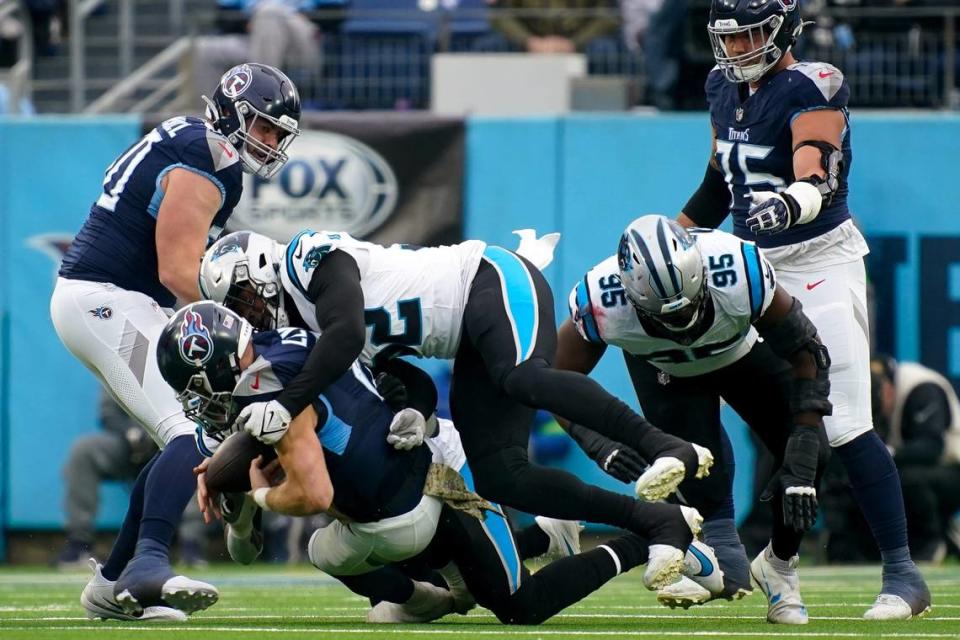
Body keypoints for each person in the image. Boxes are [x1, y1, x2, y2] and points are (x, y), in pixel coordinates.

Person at [197, 229, 713, 590]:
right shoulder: (302, 337)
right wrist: (415, 414)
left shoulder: (307, 256)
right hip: (463, 343)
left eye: (241, 296)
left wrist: (285, 405)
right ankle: (655, 522)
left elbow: (349, 334)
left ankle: (664, 444)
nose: (247, 313)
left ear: (257, 265)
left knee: (523, 375)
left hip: (490, 279)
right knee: (501, 476)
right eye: (236, 310)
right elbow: (405, 378)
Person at [155, 301, 723, 624]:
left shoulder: (275, 391)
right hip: (395, 496)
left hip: (438, 481)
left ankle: (644, 538)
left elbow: (316, 494)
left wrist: (254, 497)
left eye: (195, 385)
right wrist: (242, 506)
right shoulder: (298, 340)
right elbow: (246, 545)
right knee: (376, 565)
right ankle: (493, 562)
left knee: (518, 605)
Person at [674, 0, 930, 620]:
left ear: (783, 28)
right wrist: (672, 236)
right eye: (728, 40)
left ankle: (902, 573)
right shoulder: (718, 87)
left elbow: (815, 175)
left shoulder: (815, 82)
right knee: (691, 387)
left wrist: (788, 205)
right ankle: (733, 549)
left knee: (841, 423)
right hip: (745, 265)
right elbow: (719, 186)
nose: (736, 50)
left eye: (751, 35)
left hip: (817, 260)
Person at [49, 62, 301, 621]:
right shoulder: (210, 154)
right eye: (264, 127)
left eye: (278, 135)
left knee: (192, 434)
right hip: (105, 298)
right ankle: (146, 565)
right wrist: (249, 335)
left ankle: (114, 582)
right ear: (234, 111)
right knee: (189, 431)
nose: (271, 143)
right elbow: (178, 271)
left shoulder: (195, 141)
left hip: (111, 299)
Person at [554, 215, 831, 624]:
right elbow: (554, 380)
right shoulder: (603, 301)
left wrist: (806, 439)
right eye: (666, 315)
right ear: (630, 295)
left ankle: (780, 564)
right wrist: (598, 442)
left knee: (811, 457)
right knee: (699, 478)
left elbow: (808, 350)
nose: (682, 324)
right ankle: (715, 557)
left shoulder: (737, 268)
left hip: (741, 354)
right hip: (668, 372)